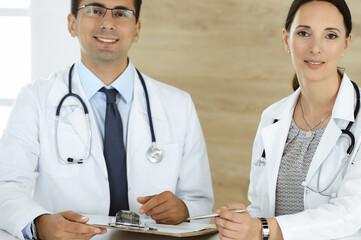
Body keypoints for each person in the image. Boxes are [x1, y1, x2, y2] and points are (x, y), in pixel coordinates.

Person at [0, 0, 213, 239]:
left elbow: (199, 202)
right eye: (94, 10)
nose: (108, 23)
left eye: (121, 13)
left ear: (137, 30)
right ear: (72, 24)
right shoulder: (35, 99)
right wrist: (38, 225)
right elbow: (6, 187)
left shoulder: (178, 105)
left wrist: (184, 210)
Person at [214, 0, 361, 239]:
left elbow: (350, 213)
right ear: (286, 39)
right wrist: (240, 223)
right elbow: (262, 210)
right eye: (304, 33)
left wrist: (262, 229)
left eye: (330, 36)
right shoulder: (272, 117)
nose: (316, 47)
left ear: (346, 43)